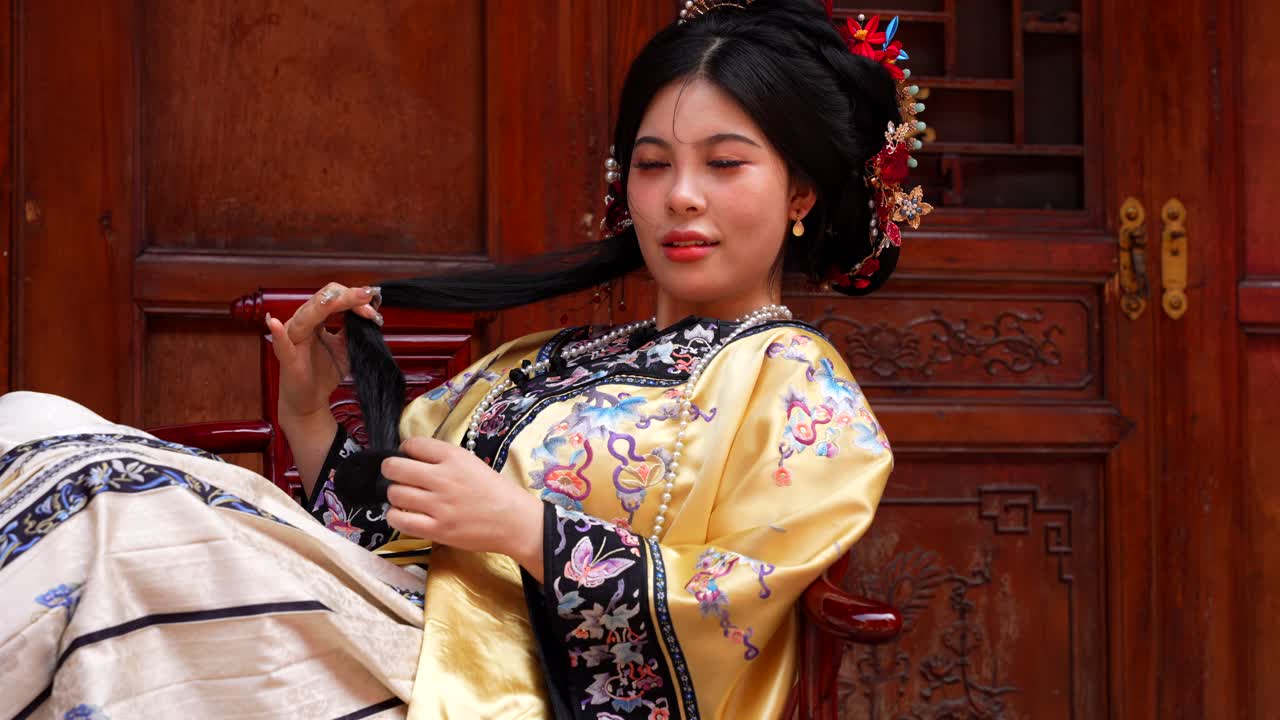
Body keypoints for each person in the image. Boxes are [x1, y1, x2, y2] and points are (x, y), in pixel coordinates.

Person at [0, 1, 930, 717]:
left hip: (491, 686)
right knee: (33, 415)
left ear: (801, 190)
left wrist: (527, 529)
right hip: (395, 630)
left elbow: (739, 604)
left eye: (725, 164)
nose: (681, 196)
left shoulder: (798, 384)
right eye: (653, 164)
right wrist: (310, 419)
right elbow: (380, 531)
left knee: (110, 501)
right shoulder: (558, 354)